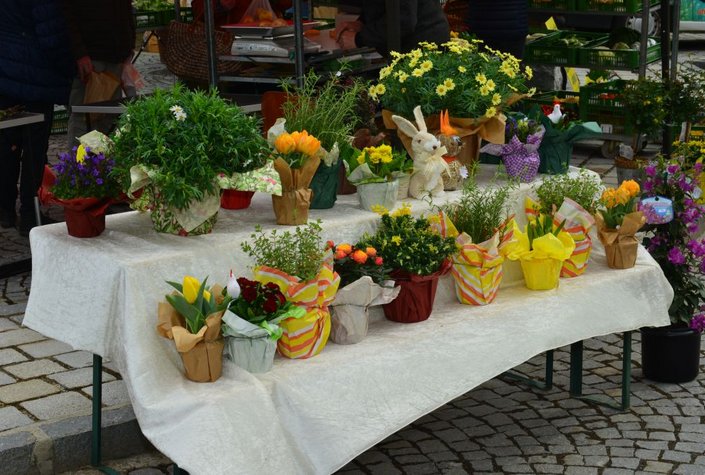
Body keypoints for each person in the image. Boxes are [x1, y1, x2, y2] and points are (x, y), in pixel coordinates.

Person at [0, 0, 74, 235]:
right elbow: (51, 35)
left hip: (5, 72)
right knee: (34, 148)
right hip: (35, 73)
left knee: (7, 144)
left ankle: (5, 209)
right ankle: (30, 214)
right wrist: (68, 69)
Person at [60, 0, 135, 147]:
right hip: (91, 58)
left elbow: (126, 8)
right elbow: (66, 14)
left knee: (110, 119)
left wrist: (129, 45)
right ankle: (78, 167)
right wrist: (80, 53)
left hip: (115, 57)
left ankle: (105, 166)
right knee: (83, 120)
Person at [337, 0, 450, 56]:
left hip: (423, 48)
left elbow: (403, 20)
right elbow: (379, 5)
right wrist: (362, 22)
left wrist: (359, 39)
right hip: (406, 48)